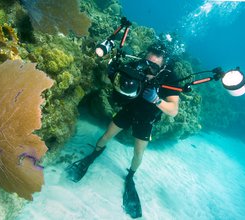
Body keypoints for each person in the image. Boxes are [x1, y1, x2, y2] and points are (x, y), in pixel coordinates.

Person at [67, 43, 180, 218]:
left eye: (154, 65)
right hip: (129, 109)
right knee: (106, 135)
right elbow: (114, 84)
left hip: (146, 119)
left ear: (163, 65)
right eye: (147, 62)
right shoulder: (137, 65)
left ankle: (130, 177)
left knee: (138, 152)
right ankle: (93, 155)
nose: (148, 68)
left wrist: (157, 100)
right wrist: (112, 74)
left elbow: (173, 110)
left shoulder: (170, 78)